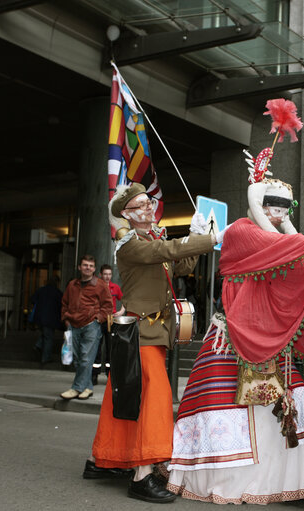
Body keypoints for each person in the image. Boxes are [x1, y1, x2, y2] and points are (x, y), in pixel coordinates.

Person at [167, 176, 304, 504]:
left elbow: (302, 255)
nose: (277, 212)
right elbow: (287, 248)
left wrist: (297, 228)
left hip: (273, 338)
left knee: (289, 402)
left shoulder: (276, 236)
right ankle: (233, 481)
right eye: (271, 205)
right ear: (258, 205)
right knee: (230, 404)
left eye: (284, 207)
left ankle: (287, 480)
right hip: (232, 336)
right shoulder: (241, 230)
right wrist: (255, 206)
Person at [84, 182, 221, 504]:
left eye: (149, 203)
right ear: (128, 216)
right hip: (140, 333)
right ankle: (142, 474)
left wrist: (196, 237)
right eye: (140, 206)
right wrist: (206, 239)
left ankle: (104, 459)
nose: (149, 208)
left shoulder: (152, 240)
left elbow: (181, 264)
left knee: (124, 399)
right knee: (156, 399)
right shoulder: (130, 245)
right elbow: (168, 252)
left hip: (150, 333)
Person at [59, 255, 112, 400]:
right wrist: (66, 319)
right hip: (73, 325)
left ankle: (76, 388)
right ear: (79, 267)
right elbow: (64, 303)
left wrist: (98, 319)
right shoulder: (72, 285)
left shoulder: (100, 285)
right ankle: (87, 387)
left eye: (90, 266)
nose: (87, 268)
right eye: (85, 265)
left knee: (85, 359)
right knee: (77, 359)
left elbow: (108, 306)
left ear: (94, 269)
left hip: (91, 326)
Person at [91, 264, 124, 385]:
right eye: (105, 274)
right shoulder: (96, 287)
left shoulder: (115, 287)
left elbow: (124, 300)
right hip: (99, 320)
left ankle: (110, 375)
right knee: (96, 348)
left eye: (109, 274)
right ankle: (94, 375)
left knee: (111, 348)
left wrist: (121, 312)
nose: (107, 276)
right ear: (100, 274)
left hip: (111, 320)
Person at [30, 276, 63, 366]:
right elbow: (61, 305)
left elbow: (32, 299)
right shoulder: (57, 293)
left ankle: (38, 346)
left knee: (45, 334)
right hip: (51, 318)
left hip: (39, 317)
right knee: (49, 337)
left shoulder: (41, 290)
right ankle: (45, 357)